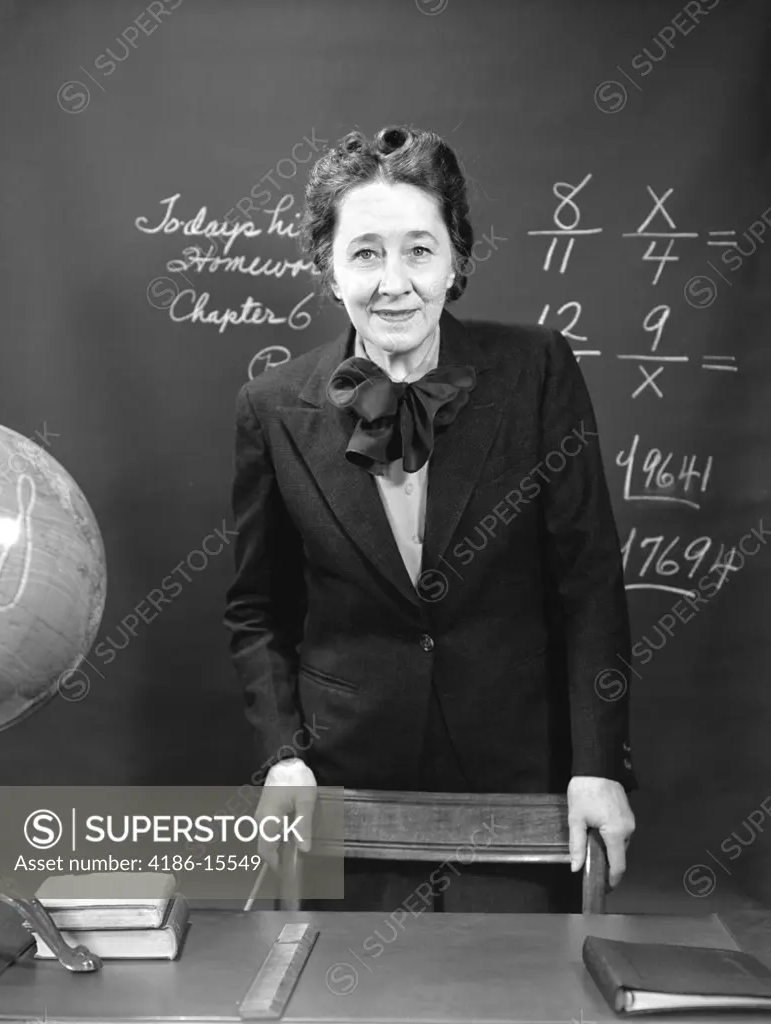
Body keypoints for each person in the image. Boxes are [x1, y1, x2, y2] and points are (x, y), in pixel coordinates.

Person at [224, 124, 636, 913]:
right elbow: (256, 610)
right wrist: (283, 759)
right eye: (366, 253)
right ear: (328, 267)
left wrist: (600, 764)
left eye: (419, 250)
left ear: (457, 261)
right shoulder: (270, 407)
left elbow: (588, 585)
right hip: (341, 793)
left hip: (523, 783)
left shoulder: (538, 369)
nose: (394, 282)